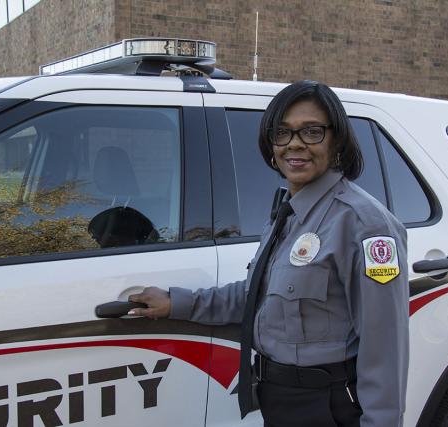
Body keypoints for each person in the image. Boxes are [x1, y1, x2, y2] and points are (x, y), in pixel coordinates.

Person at [128, 80, 409, 427]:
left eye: (312, 131)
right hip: (280, 399)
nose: (295, 144)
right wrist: (176, 302)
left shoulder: (365, 225)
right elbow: (256, 296)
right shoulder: (288, 213)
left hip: (326, 406)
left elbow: (385, 351)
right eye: (283, 132)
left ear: (336, 139)